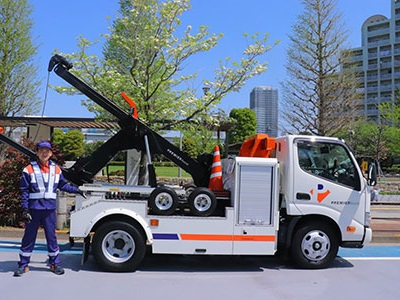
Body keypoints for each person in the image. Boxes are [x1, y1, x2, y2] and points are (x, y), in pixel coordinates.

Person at [14, 141, 81, 277]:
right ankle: (23, 265)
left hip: (49, 210)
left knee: (52, 237)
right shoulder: (28, 169)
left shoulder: (56, 169)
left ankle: (55, 264)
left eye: (47, 151)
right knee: (28, 237)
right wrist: (24, 209)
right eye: (41, 150)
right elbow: (24, 191)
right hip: (34, 209)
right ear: (37, 153)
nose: (44, 153)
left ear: (51, 153)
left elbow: (63, 185)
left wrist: (78, 190)